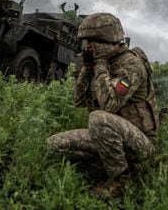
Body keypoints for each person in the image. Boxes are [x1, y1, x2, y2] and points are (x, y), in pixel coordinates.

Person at [47, 13, 159, 198]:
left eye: (92, 42)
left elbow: (108, 106)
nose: (88, 47)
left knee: (98, 117)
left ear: (110, 41)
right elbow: (79, 100)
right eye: (86, 42)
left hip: (140, 143)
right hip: (109, 137)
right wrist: (88, 67)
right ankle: (104, 162)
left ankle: (121, 181)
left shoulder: (131, 65)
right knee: (54, 144)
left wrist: (100, 64)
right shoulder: (102, 63)